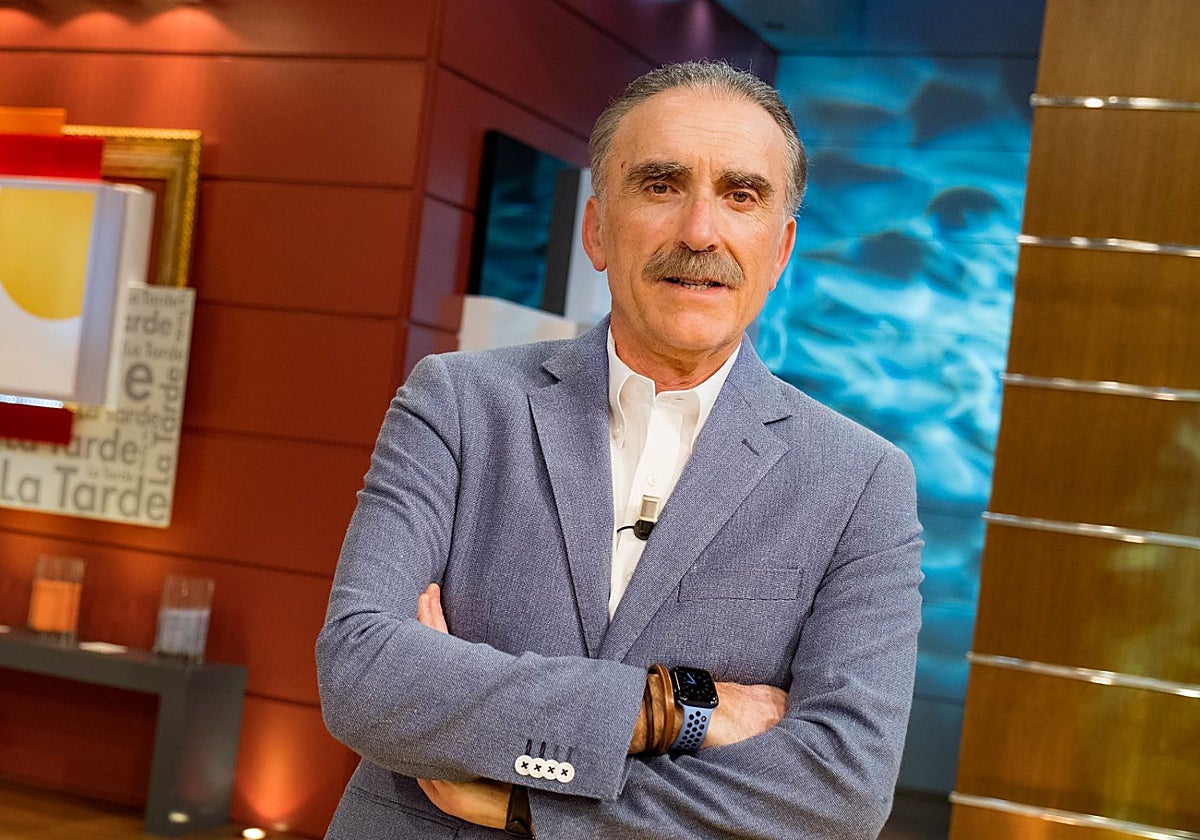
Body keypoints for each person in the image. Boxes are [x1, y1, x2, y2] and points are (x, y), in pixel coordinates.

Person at [316, 60, 922, 839]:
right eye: (661, 185)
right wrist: (671, 710)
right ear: (597, 230)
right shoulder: (457, 403)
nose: (699, 232)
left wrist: (528, 804)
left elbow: (840, 791)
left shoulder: (862, 482)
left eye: (741, 195)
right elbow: (362, 673)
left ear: (780, 251)